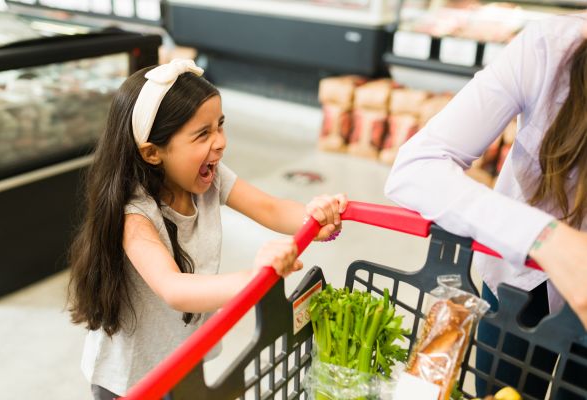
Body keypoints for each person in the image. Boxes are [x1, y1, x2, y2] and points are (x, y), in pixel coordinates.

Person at [66, 59, 348, 399]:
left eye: (220, 125)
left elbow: (270, 208)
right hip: (131, 379)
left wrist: (314, 217)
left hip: (182, 357)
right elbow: (174, 289)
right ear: (152, 152)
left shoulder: (210, 179)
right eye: (203, 134)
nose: (220, 142)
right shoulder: (135, 215)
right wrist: (256, 277)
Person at [385, 14, 587, 397]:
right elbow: (415, 168)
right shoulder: (550, 48)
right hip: (520, 282)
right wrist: (544, 237)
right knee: (502, 388)